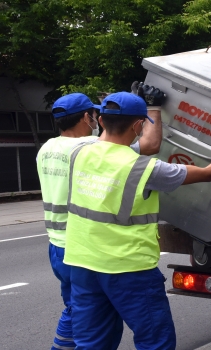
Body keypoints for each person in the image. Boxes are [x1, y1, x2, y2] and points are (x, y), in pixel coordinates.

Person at [63, 91, 211, 350]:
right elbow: (209, 173)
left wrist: (140, 104)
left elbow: (114, 142)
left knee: (89, 342)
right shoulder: (144, 168)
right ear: (138, 126)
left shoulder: (79, 153)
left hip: (82, 264)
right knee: (155, 341)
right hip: (128, 269)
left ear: (100, 120)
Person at [36, 87, 164, 350]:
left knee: (78, 311)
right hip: (81, 247)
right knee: (87, 317)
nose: (97, 119)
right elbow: (149, 145)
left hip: (56, 246)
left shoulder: (47, 148)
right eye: (95, 114)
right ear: (87, 118)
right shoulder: (87, 148)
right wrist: (151, 106)